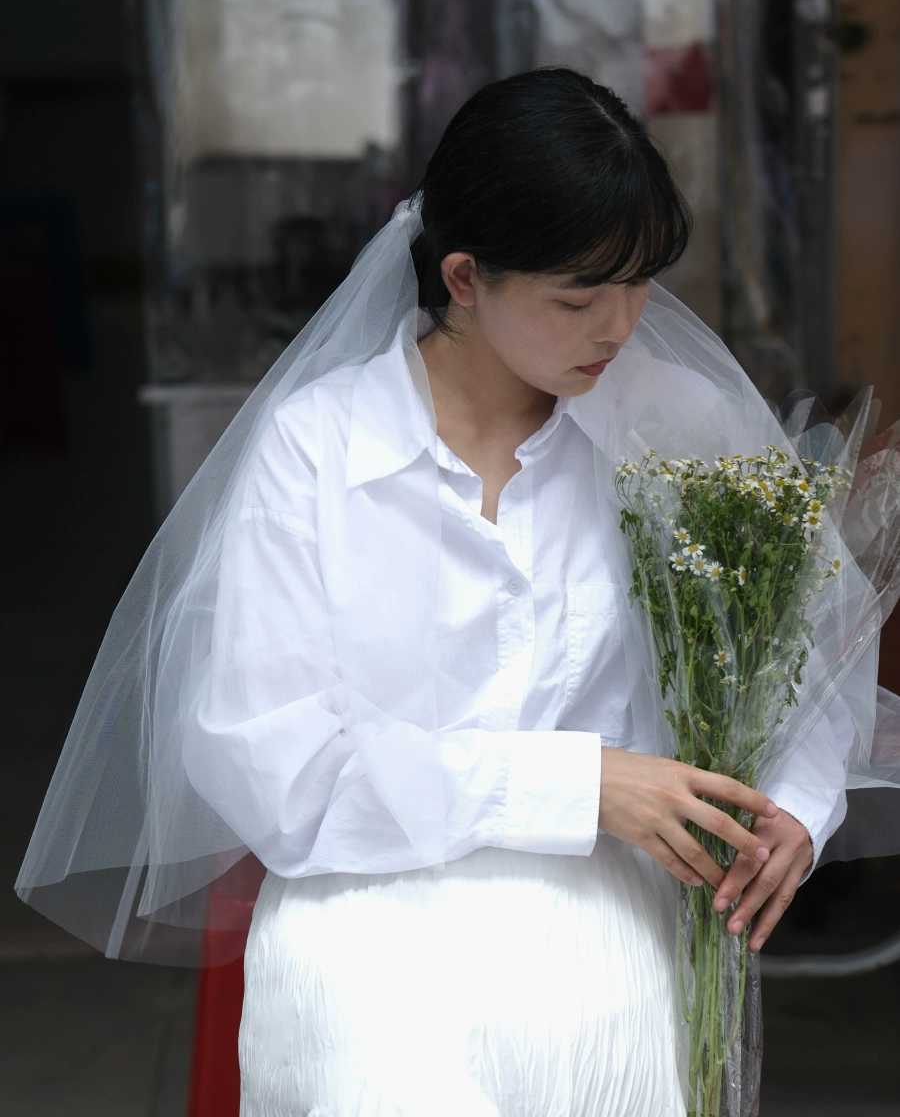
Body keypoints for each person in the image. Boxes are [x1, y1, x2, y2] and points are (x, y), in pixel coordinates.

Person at [17, 67, 889, 1116]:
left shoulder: (674, 421)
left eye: (641, 284)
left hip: (608, 927)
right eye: (580, 297)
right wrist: (578, 785)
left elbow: (806, 657)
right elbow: (273, 768)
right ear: (465, 277)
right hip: (365, 928)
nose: (620, 326)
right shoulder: (318, 449)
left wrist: (793, 806)